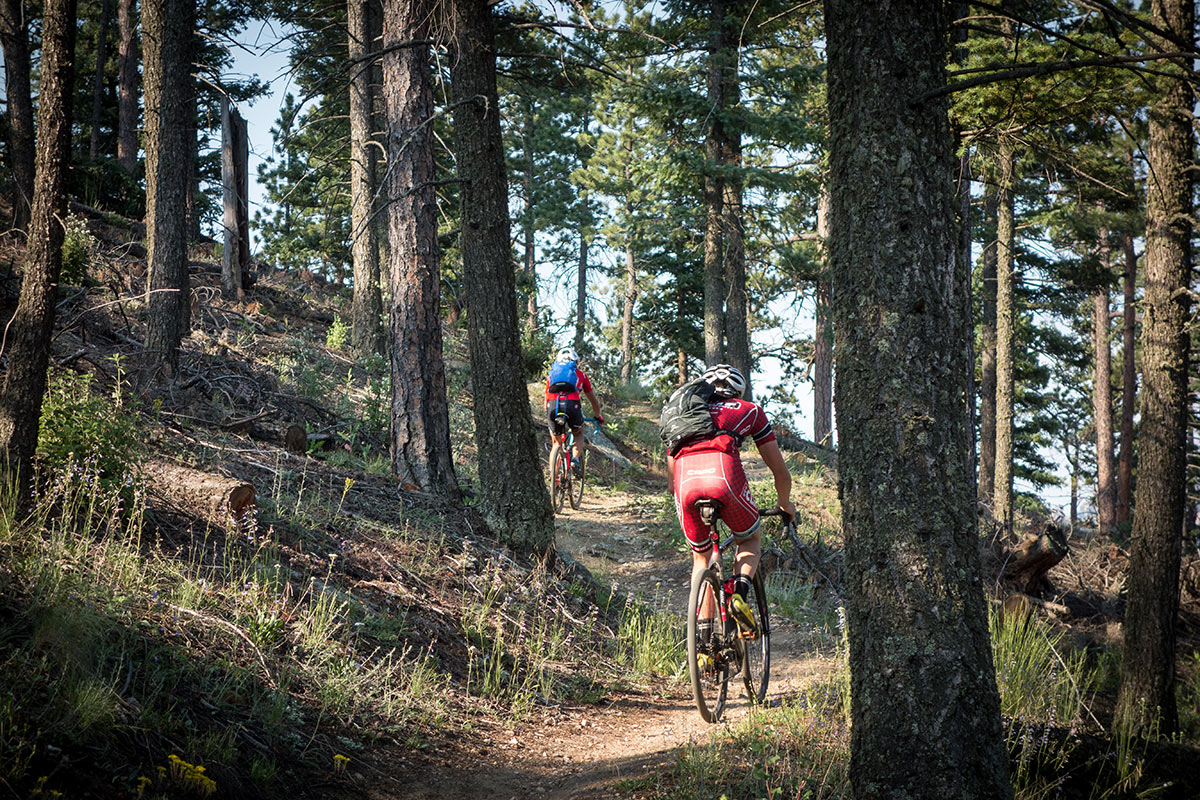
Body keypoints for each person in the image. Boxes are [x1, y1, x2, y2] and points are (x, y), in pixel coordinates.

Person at [667, 364, 794, 637]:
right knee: (749, 540)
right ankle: (739, 594)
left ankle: (701, 644)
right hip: (724, 475)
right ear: (737, 391)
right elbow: (780, 472)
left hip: (685, 483)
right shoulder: (748, 410)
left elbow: (670, 479)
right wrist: (785, 504)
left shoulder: (684, 413)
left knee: (701, 559)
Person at [544, 347, 603, 476]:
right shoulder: (581, 375)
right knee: (578, 433)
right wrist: (598, 416)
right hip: (572, 406)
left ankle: (554, 481)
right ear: (575, 362)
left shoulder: (551, 375)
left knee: (556, 443)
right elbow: (594, 402)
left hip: (552, 405)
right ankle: (575, 460)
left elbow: (546, 398)